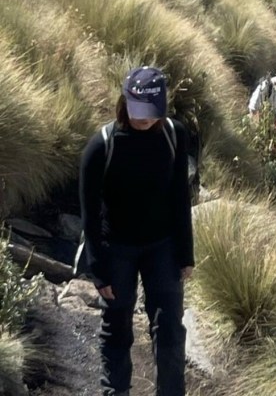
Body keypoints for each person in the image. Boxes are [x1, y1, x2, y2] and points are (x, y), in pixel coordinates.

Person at [79, 66, 194, 396]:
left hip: (163, 246)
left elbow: (179, 198)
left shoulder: (174, 135)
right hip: (117, 249)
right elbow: (88, 213)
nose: (144, 119)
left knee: (170, 328)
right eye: (137, 109)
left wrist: (185, 254)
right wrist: (99, 271)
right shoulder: (101, 147)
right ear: (124, 102)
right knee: (117, 330)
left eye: (151, 111)